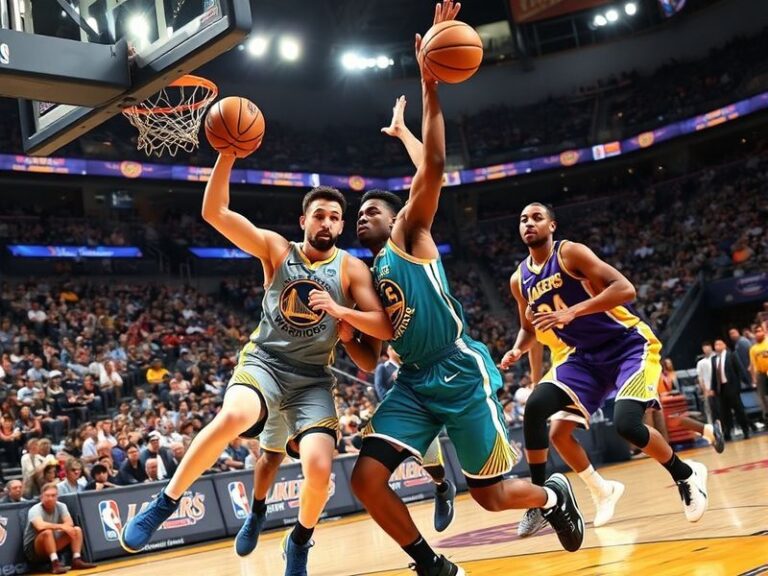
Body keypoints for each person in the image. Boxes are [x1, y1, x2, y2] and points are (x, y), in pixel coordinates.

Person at [350, 6, 584, 574]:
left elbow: (431, 167)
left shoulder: (410, 233)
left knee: (493, 497)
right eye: (359, 211)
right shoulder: (369, 274)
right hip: (411, 381)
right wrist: (340, 326)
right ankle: (432, 564)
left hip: (456, 370)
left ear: (395, 212)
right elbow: (369, 356)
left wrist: (429, 89)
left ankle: (553, 494)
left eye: (371, 207)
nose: (363, 214)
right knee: (364, 479)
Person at [121, 128, 391, 576]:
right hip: (265, 362)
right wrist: (227, 153)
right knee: (232, 418)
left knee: (321, 469)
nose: (326, 223)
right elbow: (214, 212)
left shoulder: (352, 268)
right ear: (303, 220)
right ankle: (165, 502)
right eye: (319, 215)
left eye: (334, 217)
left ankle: (299, 541)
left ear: (342, 226)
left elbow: (381, 330)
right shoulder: (276, 249)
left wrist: (341, 312)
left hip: (312, 380)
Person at [500, 201, 708, 530]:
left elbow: (625, 289)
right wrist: (516, 349)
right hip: (584, 357)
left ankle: (687, 474)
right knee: (542, 412)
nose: (529, 223)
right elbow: (529, 327)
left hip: (627, 345)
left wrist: (573, 311)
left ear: (552, 226)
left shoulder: (570, 254)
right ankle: (556, 497)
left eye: (537, 218)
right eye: (523, 219)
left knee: (627, 424)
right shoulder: (519, 279)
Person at [510, 326, 625, 536]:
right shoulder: (523, 293)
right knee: (558, 435)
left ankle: (685, 472)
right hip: (562, 367)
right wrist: (536, 381)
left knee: (631, 423)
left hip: (588, 361)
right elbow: (531, 332)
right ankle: (602, 490)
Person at [23, 482, 97, 574]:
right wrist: (62, 526)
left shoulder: (61, 506)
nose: (50, 498)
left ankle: (76, 559)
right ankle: (55, 564)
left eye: (53, 495)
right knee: (47, 532)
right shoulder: (35, 509)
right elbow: (40, 526)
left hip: (53, 542)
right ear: (41, 497)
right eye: (47, 496)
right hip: (34, 550)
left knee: (76, 530)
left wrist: (65, 527)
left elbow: (69, 523)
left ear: (57, 496)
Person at [711, 339, 751, 440]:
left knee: (738, 410)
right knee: (724, 413)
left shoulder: (732, 355)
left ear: (724, 345)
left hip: (732, 386)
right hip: (721, 388)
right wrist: (713, 388)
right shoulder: (714, 359)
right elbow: (714, 376)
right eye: (716, 344)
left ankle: (745, 430)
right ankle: (727, 433)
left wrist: (746, 381)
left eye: (720, 344)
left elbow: (740, 369)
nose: (717, 346)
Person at [749, 324, 768, 424]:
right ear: (754, 334)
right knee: (762, 397)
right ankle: (766, 416)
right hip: (760, 373)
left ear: (763, 332)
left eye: (760, 331)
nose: (758, 333)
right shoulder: (753, 349)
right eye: (756, 332)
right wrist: (754, 379)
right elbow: (752, 365)